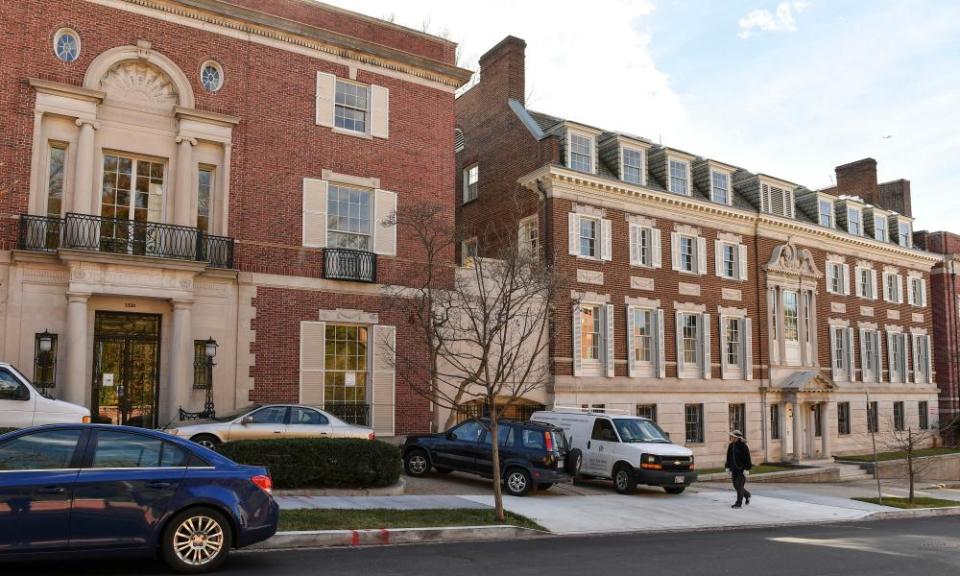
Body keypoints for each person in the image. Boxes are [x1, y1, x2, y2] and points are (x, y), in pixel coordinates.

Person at [725, 430, 752, 509]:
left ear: (737, 437)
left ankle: (738, 503)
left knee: (739, 486)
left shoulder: (743, 446)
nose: (731, 437)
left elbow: (747, 458)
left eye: (732, 436)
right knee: (735, 485)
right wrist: (727, 467)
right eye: (731, 436)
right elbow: (728, 457)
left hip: (741, 469)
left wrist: (747, 469)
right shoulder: (731, 445)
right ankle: (747, 495)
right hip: (734, 469)